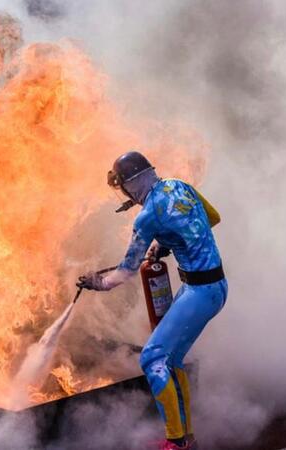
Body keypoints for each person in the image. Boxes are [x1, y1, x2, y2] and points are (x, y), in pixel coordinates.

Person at [77, 151, 227, 450]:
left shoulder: (147, 217)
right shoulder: (179, 185)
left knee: (152, 358)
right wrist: (169, 242)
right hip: (214, 285)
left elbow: (127, 271)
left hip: (200, 293)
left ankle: (175, 442)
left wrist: (99, 283)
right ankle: (187, 439)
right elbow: (212, 218)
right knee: (171, 360)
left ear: (129, 186)